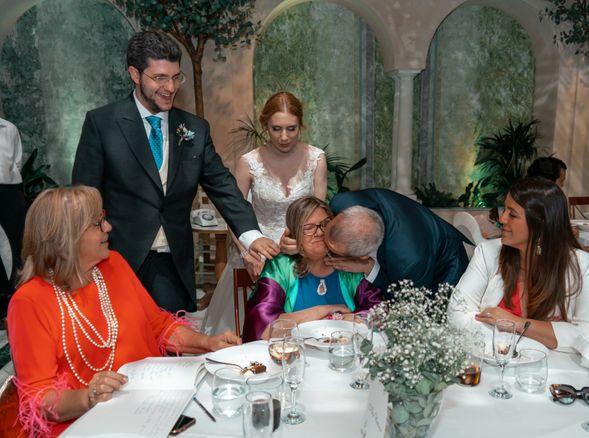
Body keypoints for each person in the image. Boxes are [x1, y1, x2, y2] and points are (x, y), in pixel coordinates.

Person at [2, 186, 241, 438]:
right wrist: (88, 396)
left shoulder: (113, 264)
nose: (108, 227)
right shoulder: (29, 302)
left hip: (153, 408)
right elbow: (40, 399)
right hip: (83, 429)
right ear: (66, 237)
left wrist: (207, 343)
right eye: (97, 223)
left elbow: (160, 326)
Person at [72, 31, 277, 313]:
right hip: (117, 261)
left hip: (173, 264)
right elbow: (83, 198)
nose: (170, 87)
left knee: (173, 347)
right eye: (159, 78)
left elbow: (223, 186)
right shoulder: (102, 123)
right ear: (135, 74)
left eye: (176, 77)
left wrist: (251, 236)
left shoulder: (195, 128)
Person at [202, 92, 327, 335]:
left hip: (303, 256)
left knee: (306, 330)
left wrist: (302, 246)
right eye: (276, 128)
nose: (283, 136)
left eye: (291, 129)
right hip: (257, 256)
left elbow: (319, 216)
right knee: (252, 329)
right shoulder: (249, 162)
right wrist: (247, 252)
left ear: (301, 125)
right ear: (264, 126)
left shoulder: (316, 159)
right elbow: (234, 213)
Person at [448, 177, 589, 351]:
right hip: (495, 361)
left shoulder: (580, 265)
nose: (502, 219)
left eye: (512, 214)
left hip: (553, 372)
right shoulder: (487, 253)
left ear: (541, 226)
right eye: (505, 210)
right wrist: (544, 336)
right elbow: (456, 315)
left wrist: (515, 324)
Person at [243, 196, 381, 342]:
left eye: (325, 224)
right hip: (295, 357)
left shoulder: (348, 265)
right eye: (309, 228)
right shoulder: (280, 266)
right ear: (294, 234)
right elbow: (263, 329)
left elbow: (378, 315)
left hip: (343, 356)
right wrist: (325, 311)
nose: (320, 233)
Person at [302, 188, 470, 296]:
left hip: (444, 267)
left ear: (361, 257)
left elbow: (407, 304)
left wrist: (370, 269)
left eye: (333, 250)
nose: (322, 241)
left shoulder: (410, 263)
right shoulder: (341, 202)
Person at [0, 117, 28, 317]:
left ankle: (18, 303)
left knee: (18, 249)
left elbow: (16, 162)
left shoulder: (8, 128)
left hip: (9, 194)